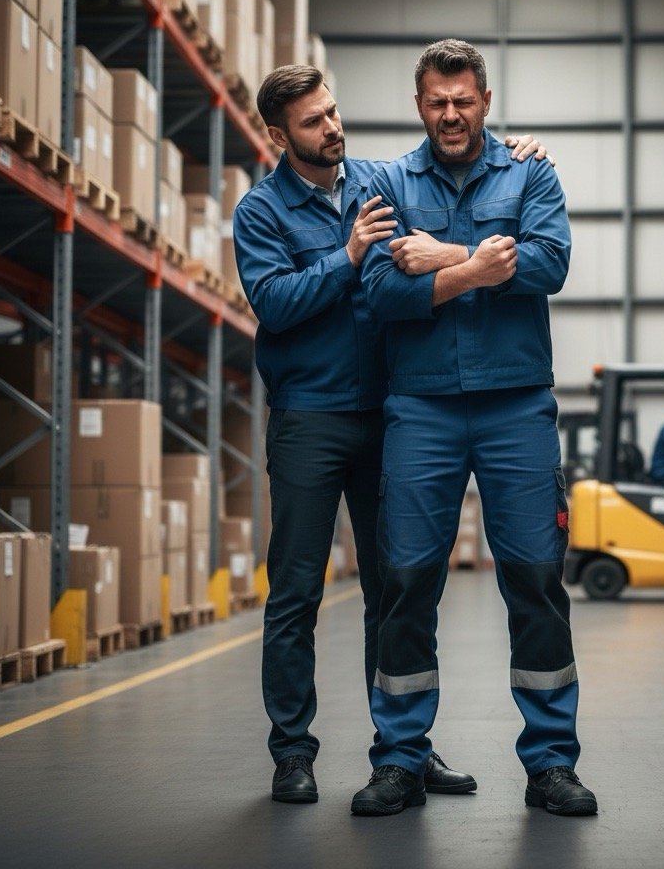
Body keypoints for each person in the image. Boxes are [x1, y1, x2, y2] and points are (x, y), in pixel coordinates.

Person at [233, 64, 551, 805]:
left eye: (334, 112)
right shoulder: (260, 211)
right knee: (296, 592)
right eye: (314, 122)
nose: (332, 128)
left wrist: (520, 150)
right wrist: (345, 259)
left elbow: (452, 169)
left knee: (398, 590)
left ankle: (401, 752)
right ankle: (292, 751)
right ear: (281, 136)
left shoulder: (380, 181)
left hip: (388, 413)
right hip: (310, 418)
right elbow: (275, 305)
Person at [351, 39, 596, 819]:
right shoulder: (389, 180)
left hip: (516, 404)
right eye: (435, 101)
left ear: (485, 100)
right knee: (408, 580)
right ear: (418, 104)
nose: (449, 114)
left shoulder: (531, 172)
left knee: (532, 576)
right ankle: (400, 759)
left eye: (462, 100)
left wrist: (448, 258)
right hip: (419, 405)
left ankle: (551, 762)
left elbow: (550, 263)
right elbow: (382, 292)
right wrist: (481, 270)